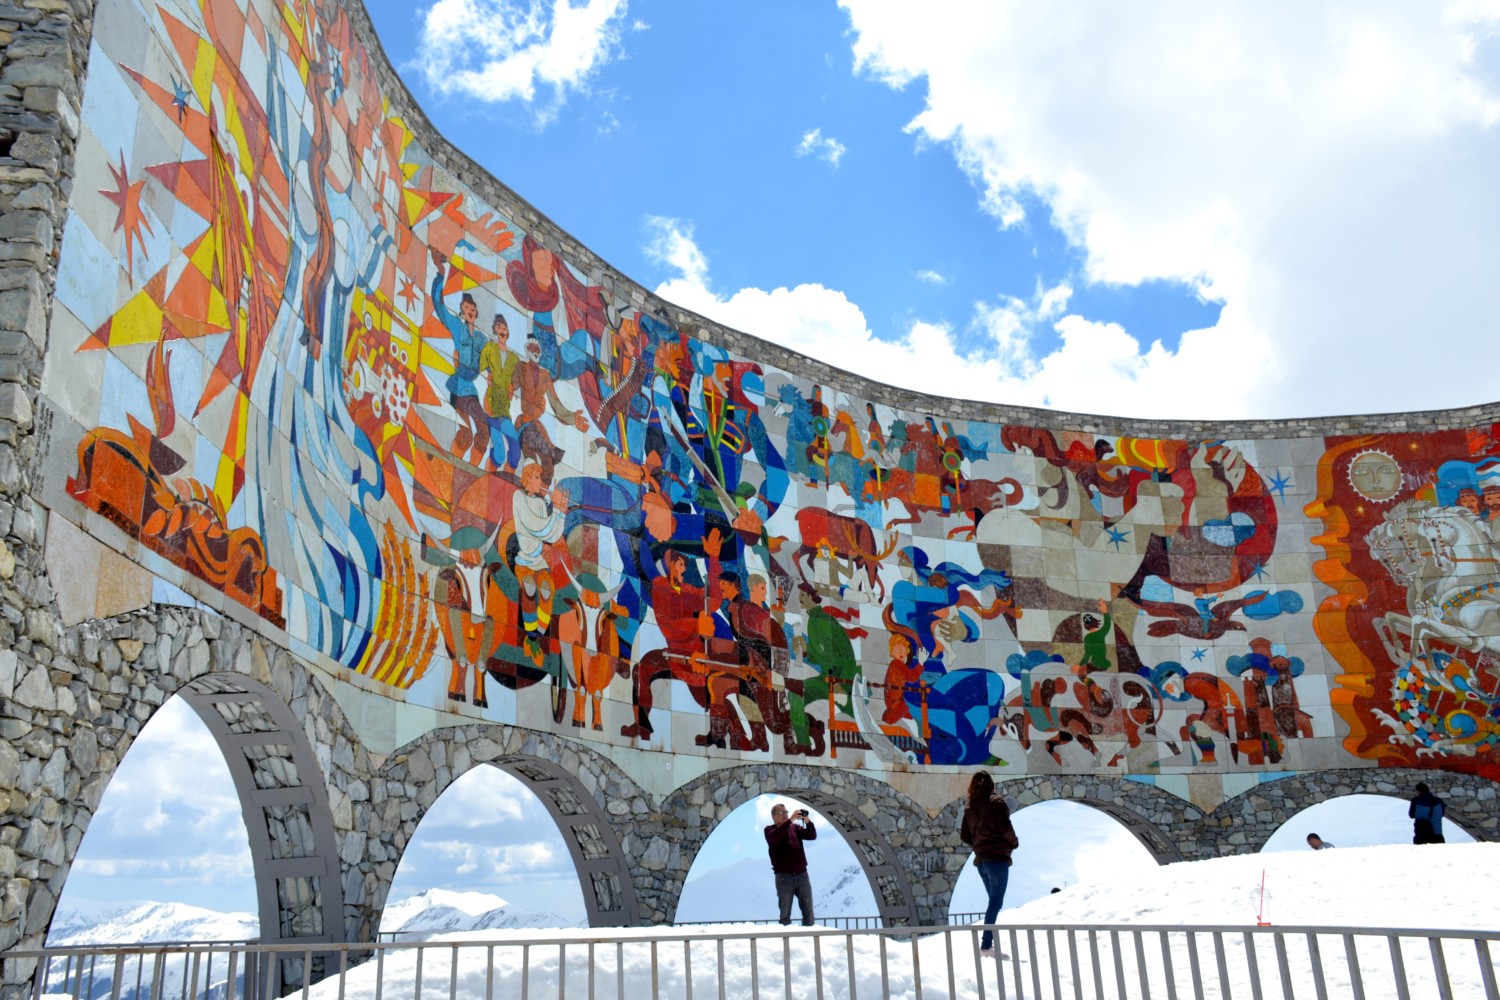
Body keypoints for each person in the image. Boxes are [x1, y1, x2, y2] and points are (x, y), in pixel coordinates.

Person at [960, 772, 1019, 957]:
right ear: (991, 784)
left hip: (982, 861)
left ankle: (989, 943)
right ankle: (986, 946)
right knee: (995, 902)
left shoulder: (970, 807)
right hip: (997, 858)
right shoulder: (997, 803)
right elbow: (1005, 827)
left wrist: (979, 844)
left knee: (993, 902)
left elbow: (964, 836)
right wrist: (1014, 843)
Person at [765, 803, 817, 926]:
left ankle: (809, 940)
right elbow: (774, 838)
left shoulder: (794, 828)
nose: (785, 815)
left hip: (802, 874)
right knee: (785, 915)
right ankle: (786, 943)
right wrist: (791, 820)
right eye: (781, 813)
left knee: (808, 912)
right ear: (773, 817)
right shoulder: (769, 830)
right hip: (783, 877)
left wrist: (807, 820)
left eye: (786, 812)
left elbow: (812, 835)